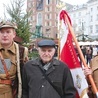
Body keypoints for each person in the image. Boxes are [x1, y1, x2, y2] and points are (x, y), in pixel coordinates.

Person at [0, 20, 28, 98]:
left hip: (11, 93)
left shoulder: (21, 51)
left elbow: (24, 76)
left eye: (8, 32)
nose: (4, 35)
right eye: (2, 32)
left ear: (14, 34)